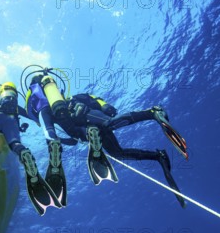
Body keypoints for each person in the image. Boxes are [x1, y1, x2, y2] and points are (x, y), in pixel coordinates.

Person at [20, 66, 187, 207]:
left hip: (84, 119)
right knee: (117, 153)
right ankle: (158, 156)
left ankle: (152, 112)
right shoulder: (62, 102)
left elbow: (87, 105)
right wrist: (105, 107)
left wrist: (102, 107)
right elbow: (93, 102)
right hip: (85, 128)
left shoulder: (55, 104)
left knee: (107, 125)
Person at [0, 82, 63, 216]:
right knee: (16, 144)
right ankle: (25, 155)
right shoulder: (15, 104)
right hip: (12, 120)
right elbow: (29, 115)